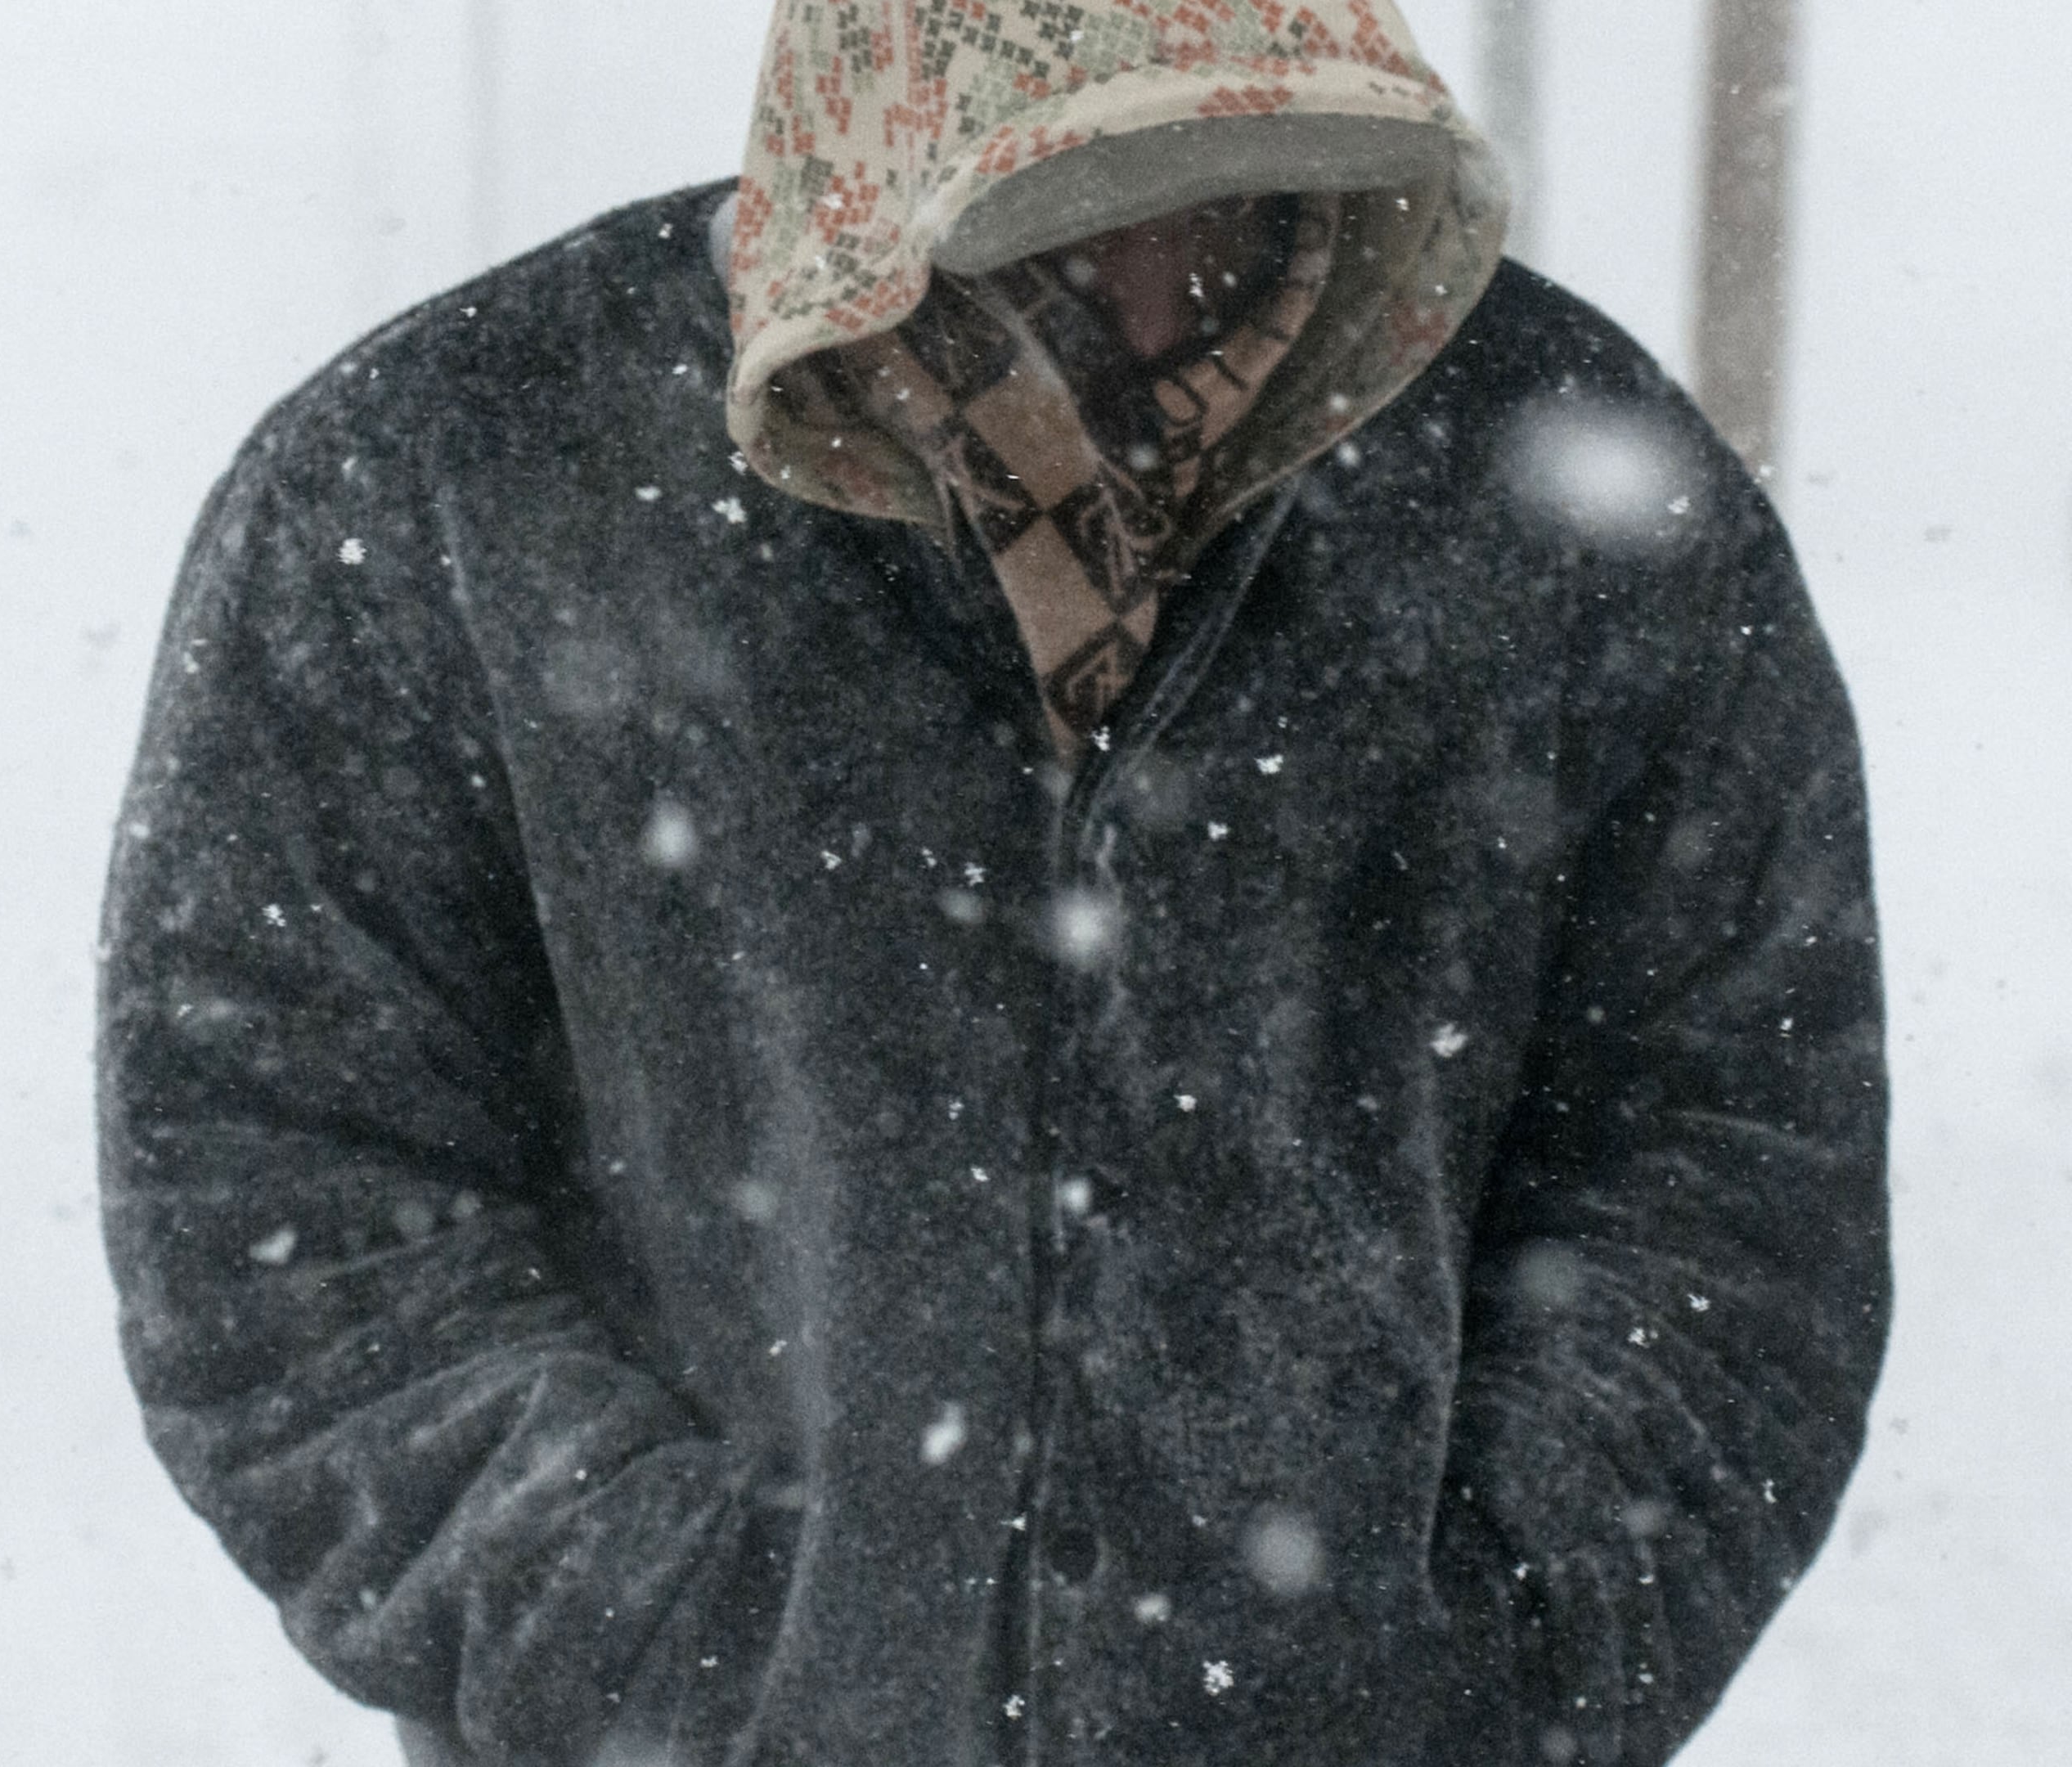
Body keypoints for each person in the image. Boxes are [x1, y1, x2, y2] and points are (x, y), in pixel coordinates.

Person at [95, 6, 1890, 1765]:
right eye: (1059, 215)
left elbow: (1733, 1182)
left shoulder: (1570, 499)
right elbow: (279, 1184)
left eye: (1231, 189)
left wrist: (1473, 1662)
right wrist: (689, 1650)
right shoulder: (462, 473)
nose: (1151, 289)